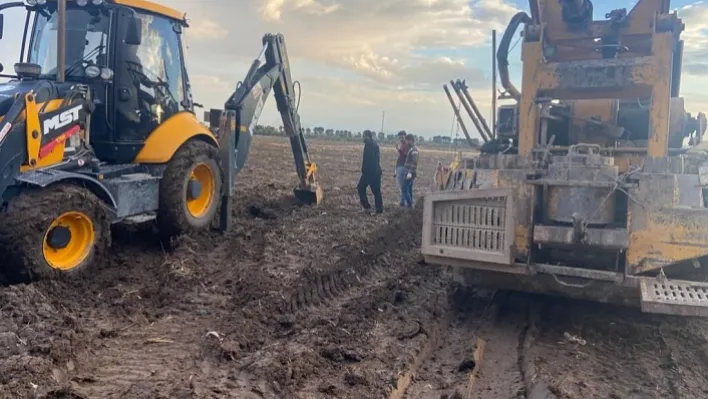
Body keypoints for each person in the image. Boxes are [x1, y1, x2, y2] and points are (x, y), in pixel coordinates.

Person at [357, 130, 383, 214]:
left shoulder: (369, 145)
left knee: (361, 187)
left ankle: (368, 207)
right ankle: (377, 209)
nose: (362, 138)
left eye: (363, 136)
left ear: (367, 136)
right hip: (375, 171)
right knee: (376, 191)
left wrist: (366, 171)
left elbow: (371, 160)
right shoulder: (374, 143)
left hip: (371, 172)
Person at [402, 134, 419, 208]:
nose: (406, 143)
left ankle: (409, 205)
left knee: (404, 189)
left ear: (410, 140)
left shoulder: (414, 150)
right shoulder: (411, 149)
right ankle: (410, 203)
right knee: (409, 189)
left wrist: (409, 172)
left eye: (407, 141)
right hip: (409, 172)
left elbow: (414, 162)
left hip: (410, 173)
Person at [394, 130, 409, 206]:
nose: (401, 139)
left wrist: (398, 149)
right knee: (402, 185)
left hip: (402, 167)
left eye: (402, 137)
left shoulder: (406, 145)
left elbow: (404, 154)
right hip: (400, 166)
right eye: (400, 137)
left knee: (402, 186)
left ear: (405, 137)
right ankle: (403, 201)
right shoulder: (403, 144)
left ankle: (405, 202)